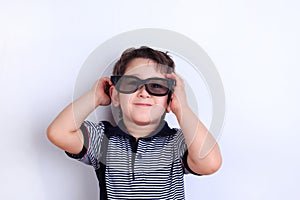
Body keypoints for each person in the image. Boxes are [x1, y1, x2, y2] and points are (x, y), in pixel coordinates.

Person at [47, 46, 222, 200]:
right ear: (116, 95)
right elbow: (58, 133)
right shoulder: (102, 140)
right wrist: (94, 97)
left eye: (156, 86)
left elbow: (210, 163)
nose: (144, 93)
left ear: (170, 100)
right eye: (131, 83)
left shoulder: (178, 143)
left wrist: (182, 108)